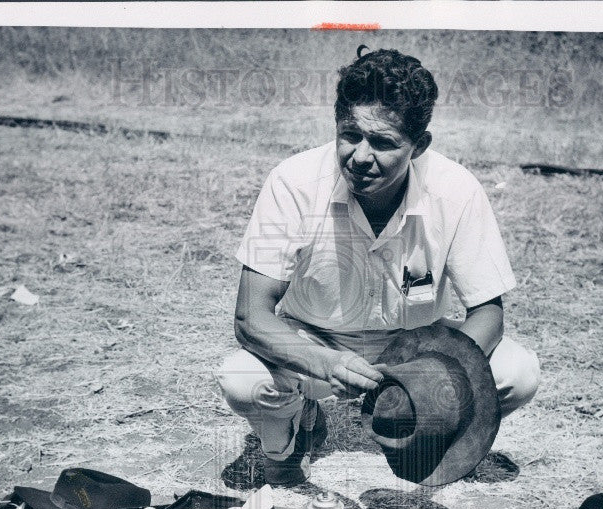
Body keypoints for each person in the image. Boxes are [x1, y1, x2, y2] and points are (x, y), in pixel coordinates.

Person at [217, 47, 540, 486]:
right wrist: (325, 362)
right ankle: (290, 435)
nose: (361, 156)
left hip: (418, 346)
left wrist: (431, 377)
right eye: (350, 135)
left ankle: (430, 434)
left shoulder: (455, 189)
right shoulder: (293, 182)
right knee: (242, 378)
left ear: (418, 145)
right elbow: (250, 316)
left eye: (384, 143)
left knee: (516, 374)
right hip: (316, 337)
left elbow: (489, 312)